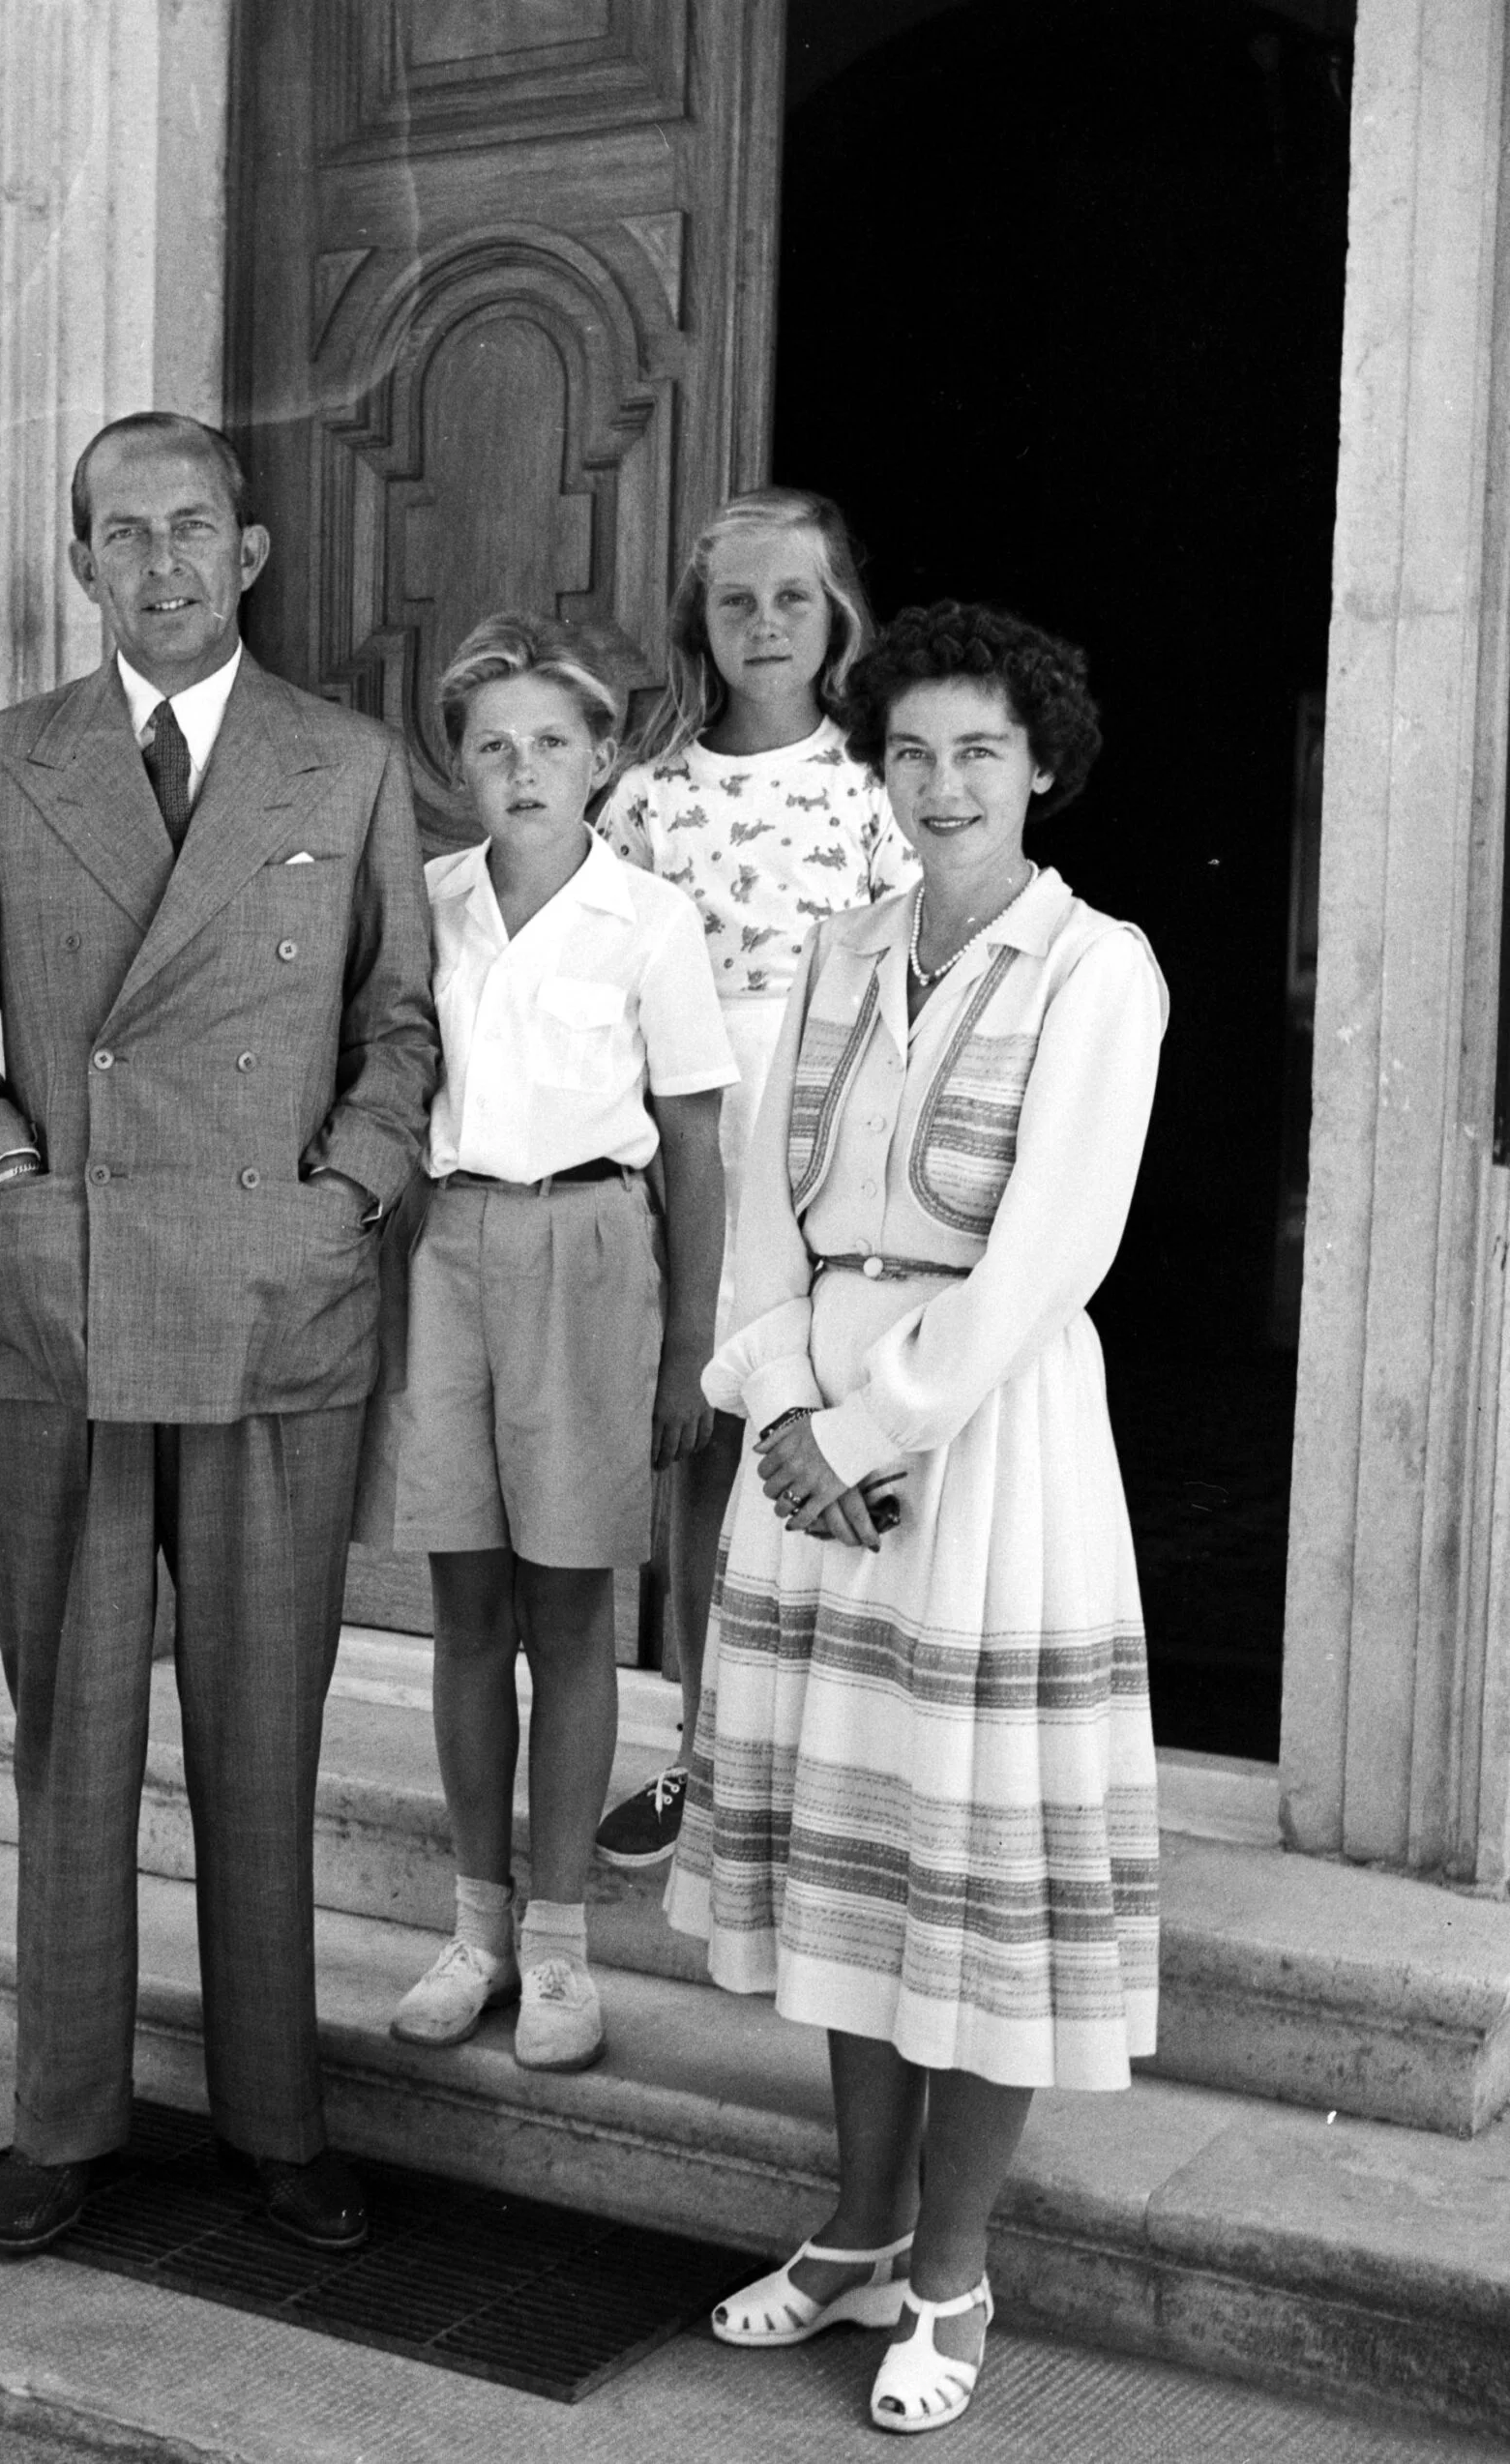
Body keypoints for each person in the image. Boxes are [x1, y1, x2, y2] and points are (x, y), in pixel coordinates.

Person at [0, 412, 437, 2259]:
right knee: (75, 1738)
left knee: (265, 1738)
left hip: (276, 1300)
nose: (167, 564)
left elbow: (401, 1031)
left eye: (195, 528)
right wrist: (9, 1189)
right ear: (83, 566)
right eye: (126, 536)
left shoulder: (345, 763)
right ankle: (61, 2120)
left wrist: (347, 1194)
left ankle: (278, 2122)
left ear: (251, 553)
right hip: (76, 1298)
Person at [671, 602, 1165, 2434]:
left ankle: (952, 2275)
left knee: (961, 1877)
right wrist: (780, 1404)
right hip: (809, 1432)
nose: (942, 784)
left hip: (982, 1449)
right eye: (909, 752)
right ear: (873, 776)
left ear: (1040, 766)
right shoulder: (833, 953)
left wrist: (875, 1424)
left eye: (979, 751)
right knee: (847, 1863)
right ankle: (858, 2229)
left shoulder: (1096, 967)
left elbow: (1053, 1250)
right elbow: (759, 1207)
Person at [380, 615, 731, 2075]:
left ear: (603, 761)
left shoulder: (648, 920)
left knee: (572, 1614)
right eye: (491, 744)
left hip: (593, 1253)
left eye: (551, 743)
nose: (522, 767)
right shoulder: (426, 902)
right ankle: (478, 1930)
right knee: (468, 1611)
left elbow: (698, 1145)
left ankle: (567, 1947)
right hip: (449, 1250)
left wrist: (686, 1350)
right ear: (455, 768)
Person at [591, 486, 918, 1872]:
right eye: (738, 602)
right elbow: (594, 980)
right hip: (695, 1164)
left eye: (793, 598)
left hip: (837, 1166)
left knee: (834, 1443)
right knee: (706, 1450)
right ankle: (698, 1750)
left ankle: (832, 1780)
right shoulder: (650, 800)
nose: (766, 623)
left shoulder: (875, 795)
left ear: (836, 616)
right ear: (700, 627)